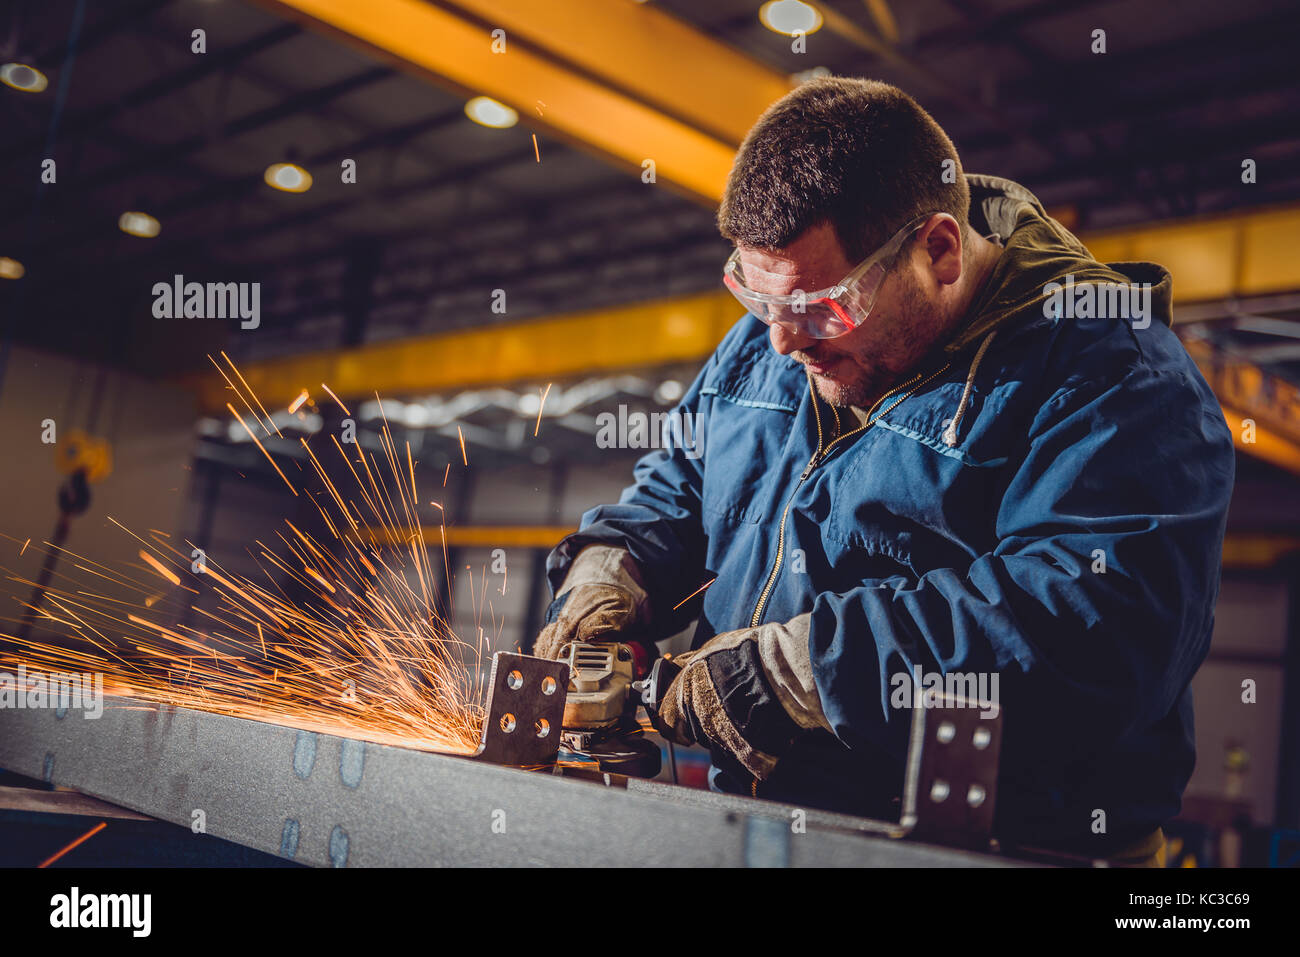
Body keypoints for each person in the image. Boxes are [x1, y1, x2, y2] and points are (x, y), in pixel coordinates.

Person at [532, 77, 1235, 864]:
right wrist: (609, 574)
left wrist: (798, 671)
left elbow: (1091, 629)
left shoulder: (1112, 374)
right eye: (757, 301)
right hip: (757, 829)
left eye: (820, 308)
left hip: (1009, 851)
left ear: (937, 249)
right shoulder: (771, 339)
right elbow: (681, 484)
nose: (782, 345)